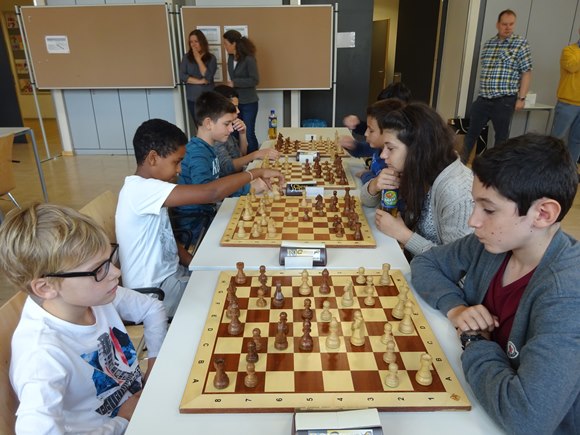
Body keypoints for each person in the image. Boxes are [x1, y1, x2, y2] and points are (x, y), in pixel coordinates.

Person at [410, 134, 580, 434]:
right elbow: (426, 263)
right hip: (479, 400)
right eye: (475, 205)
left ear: (543, 214)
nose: (473, 221)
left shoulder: (566, 295)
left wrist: (474, 341)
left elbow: (527, 419)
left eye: (488, 210)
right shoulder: (494, 243)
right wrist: (456, 308)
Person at [0, 203, 168, 434]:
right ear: (46, 287)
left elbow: (151, 308)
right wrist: (122, 421)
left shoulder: (94, 296)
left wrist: (154, 366)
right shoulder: (41, 356)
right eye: (98, 269)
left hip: (142, 407)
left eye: (109, 260)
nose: (116, 272)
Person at [116, 118, 281, 317]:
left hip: (171, 277)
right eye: (176, 162)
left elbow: (165, 238)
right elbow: (211, 193)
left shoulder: (150, 189)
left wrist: (195, 263)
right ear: (153, 158)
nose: (179, 169)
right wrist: (256, 172)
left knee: (232, 279)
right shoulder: (140, 190)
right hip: (153, 295)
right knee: (238, 298)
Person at [361, 102, 473, 256]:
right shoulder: (415, 170)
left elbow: (455, 262)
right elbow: (366, 201)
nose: (383, 155)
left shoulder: (457, 192)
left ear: (417, 149)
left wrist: (403, 234)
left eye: (390, 148)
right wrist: (374, 185)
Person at [462, 9, 532, 163]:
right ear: (497, 24)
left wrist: (521, 98)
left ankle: (495, 169)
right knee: (471, 133)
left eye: (511, 24)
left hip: (504, 100)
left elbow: (526, 72)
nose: (508, 27)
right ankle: (460, 164)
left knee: (501, 137)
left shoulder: (520, 44)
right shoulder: (488, 44)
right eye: (504, 24)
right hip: (483, 98)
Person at [338, 83, 412, 184]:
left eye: (371, 130)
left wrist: (366, 175)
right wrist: (353, 145)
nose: (384, 155)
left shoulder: (397, 161)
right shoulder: (380, 146)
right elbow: (363, 148)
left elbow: (380, 185)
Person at [213, 84, 280, 177]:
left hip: (238, 175)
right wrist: (255, 154)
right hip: (231, 180)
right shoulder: (217, 136)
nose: (238, 111)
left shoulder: (228, 129)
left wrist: (242, 133)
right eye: (234, 107)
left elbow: (241, 155)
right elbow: (228, 168)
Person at [223, 30, 260, 153]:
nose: (225, 46)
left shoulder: (249, 59)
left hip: (249, 102)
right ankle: (240, 158)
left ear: (234, 44)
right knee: (235, 132)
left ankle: (254, 159)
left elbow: (255, 80)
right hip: (235, 102)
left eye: (226, 44)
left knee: (248, 133)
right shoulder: (230, 58)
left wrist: (235, 83)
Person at [551, 28, 580, 165]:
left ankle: (570, 170)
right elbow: (572, 66)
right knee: (556, 139)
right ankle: (549, 168)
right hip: (568, 103)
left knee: (577, 140)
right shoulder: (569, 50)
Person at [180, 29, 217, 125]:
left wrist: (198, 59)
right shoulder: (186, 57)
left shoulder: (211, 58)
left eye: (196, 41)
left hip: (208, 98)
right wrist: (200, 81)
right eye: (191, 42)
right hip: (192, 98)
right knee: (199, 126)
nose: (193, 44)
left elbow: (208, 77)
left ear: (202, 42)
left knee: (210, 125)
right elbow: (182, 76)